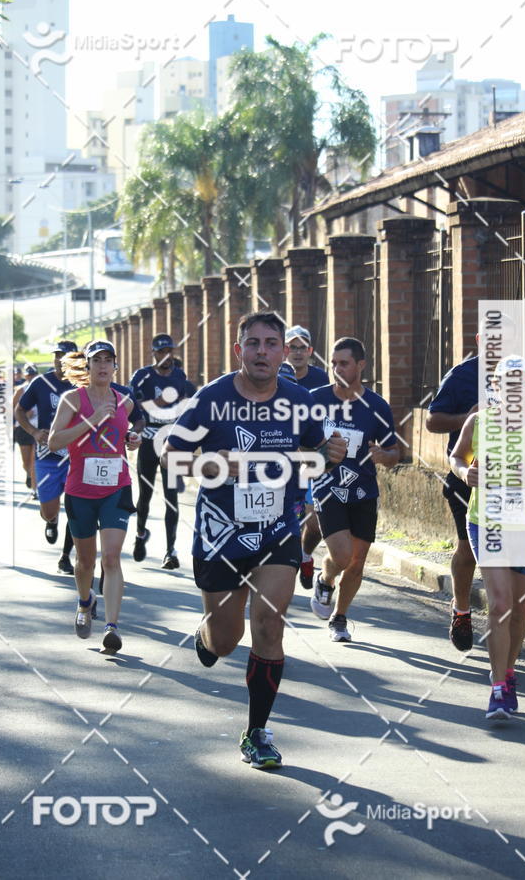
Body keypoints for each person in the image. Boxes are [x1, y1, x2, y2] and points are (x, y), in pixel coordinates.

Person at [162, 311, 347, 769]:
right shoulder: (212, 398)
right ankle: (207, 637)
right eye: (253, 343)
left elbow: (314, 461)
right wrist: (213, 467)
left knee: (269, 625)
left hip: (276, 532)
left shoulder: (301, 401)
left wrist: (329, 456)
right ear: (238, 349)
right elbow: (172, 457)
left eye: (270, 343)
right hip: (220, 534)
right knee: (227, 640)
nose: (262, 351)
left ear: (285, 352)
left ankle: (257, 732)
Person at [450, 356, 525, 719]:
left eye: (523, 382)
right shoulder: (479, 422)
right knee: (501, 604)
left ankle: (508, 670)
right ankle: (498, 688)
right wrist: (464, 474)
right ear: (497, 389)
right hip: (488, 522)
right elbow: (457, 458)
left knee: (519, 610)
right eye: (507, 383)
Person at [48, 340, 140, 652]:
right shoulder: (73, 400)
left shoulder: (124, 400)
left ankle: (112, 628)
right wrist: (92, 419)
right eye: (96, 360)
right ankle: (85, 602)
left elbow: (120, 434)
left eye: (108, 360)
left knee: (111, 557)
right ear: (88, 367)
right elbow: (53, 441)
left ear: (116, 366)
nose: (102, 366)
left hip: (116, 487)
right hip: (80, 491)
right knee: (86, 561)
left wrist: (131, 439)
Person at [309, 337, 399, 642]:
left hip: (363, 491)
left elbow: (394, 451)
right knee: (343, 556)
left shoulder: (376, 406)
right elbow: (298, 442)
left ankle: (340, 617)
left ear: (360, 365)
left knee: (358, 560)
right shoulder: (315, 400)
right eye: (332, 363)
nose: (336, 369)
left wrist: (384, 456)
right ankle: (325, 577)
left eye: (343, 363)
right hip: (326, 486)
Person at [425, 344, 479, 652]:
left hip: (513, 479)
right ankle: (462, 611)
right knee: (468, 548)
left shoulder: (523, 375)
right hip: (466, 476)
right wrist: (466, 417)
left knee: (511, 556)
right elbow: (433, 421)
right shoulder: (462, 375)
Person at [130, 333, 191, 570]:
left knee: (171, 497)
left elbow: (184, 404)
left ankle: (170, 551)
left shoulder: (179, 375)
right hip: (147, 441)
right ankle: (140, 533)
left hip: (170, 442)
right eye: (162, 352)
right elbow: (129, 403)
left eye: (170, 351)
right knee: (145, 495)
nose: (167, 356)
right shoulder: (142, 376)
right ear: (153, 353)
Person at [15, 341, 77, 574]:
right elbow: (20, 410)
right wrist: (33, 431)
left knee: (76, 507)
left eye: (65, 356)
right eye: (57, 356)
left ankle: (65, 556)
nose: (60, 360)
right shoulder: (41, 383)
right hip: (48, 454)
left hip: (76, 455)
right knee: (49, 510)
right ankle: (51, 521)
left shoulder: (84, 383)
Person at [281, 327, 330, 590]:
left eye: (303, 347)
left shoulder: (320, 379)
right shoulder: (273, 376)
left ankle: (305, 554)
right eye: (292, 347)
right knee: (290, 516)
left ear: (310, 351)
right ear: (284, 350)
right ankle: (287, 567)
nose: (298, 352)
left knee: (313, 521)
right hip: (282, 466)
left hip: (311, 459)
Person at [12, 363, 38, 495]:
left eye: (33, 375)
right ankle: (29, 474)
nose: (31, 377)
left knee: (34, 460)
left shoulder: (41, 388)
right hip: (22, 428)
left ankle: (34, 489)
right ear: (25, 376)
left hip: (38, 428)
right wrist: (23, 414)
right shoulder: (20, 390)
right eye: (29, 375)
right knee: (26, 462)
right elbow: (10, 410)